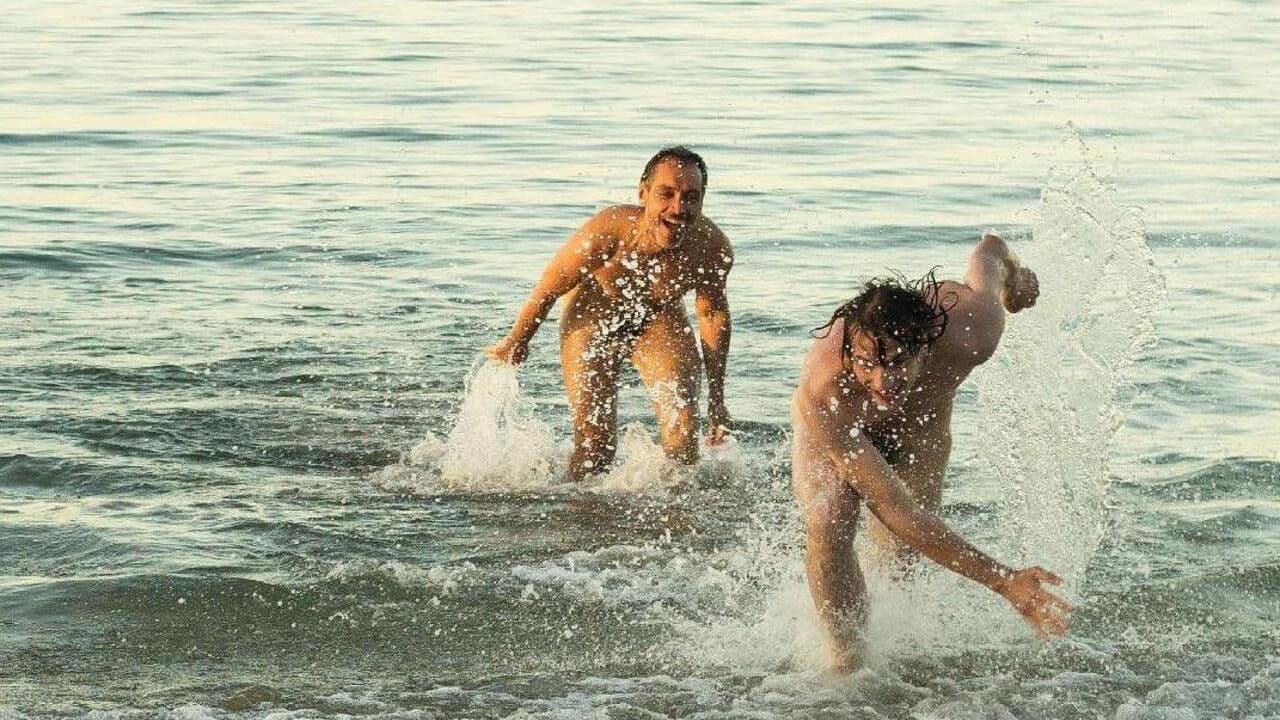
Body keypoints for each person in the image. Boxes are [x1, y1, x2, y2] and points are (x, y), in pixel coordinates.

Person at [791, 232, 1071, 671]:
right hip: (842, 424)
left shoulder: (973, 328)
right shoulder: (825, 389)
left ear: (926, 347)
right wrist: (1004, 581)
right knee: (829, 519)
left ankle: (894, 641)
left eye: (898, 362)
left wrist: (1015, 278)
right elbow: (891, 504)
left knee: (901, 558)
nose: (883, 381)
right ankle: (847, 662)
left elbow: (990, 250)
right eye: (868, 364)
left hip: (922, 426)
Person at [487, 147, 733, 481]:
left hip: (659, 319)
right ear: (643, 193)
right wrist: (517, 341)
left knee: (684, 429)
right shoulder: (608, 231)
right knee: (595, 444)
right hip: (593, 318)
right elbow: (548, 288)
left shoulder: (711, 248)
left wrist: (717, 399)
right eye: (667, 194)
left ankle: (676, 518)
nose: (679, 209)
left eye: (692, 197)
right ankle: (582, 516)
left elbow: (713, 314)